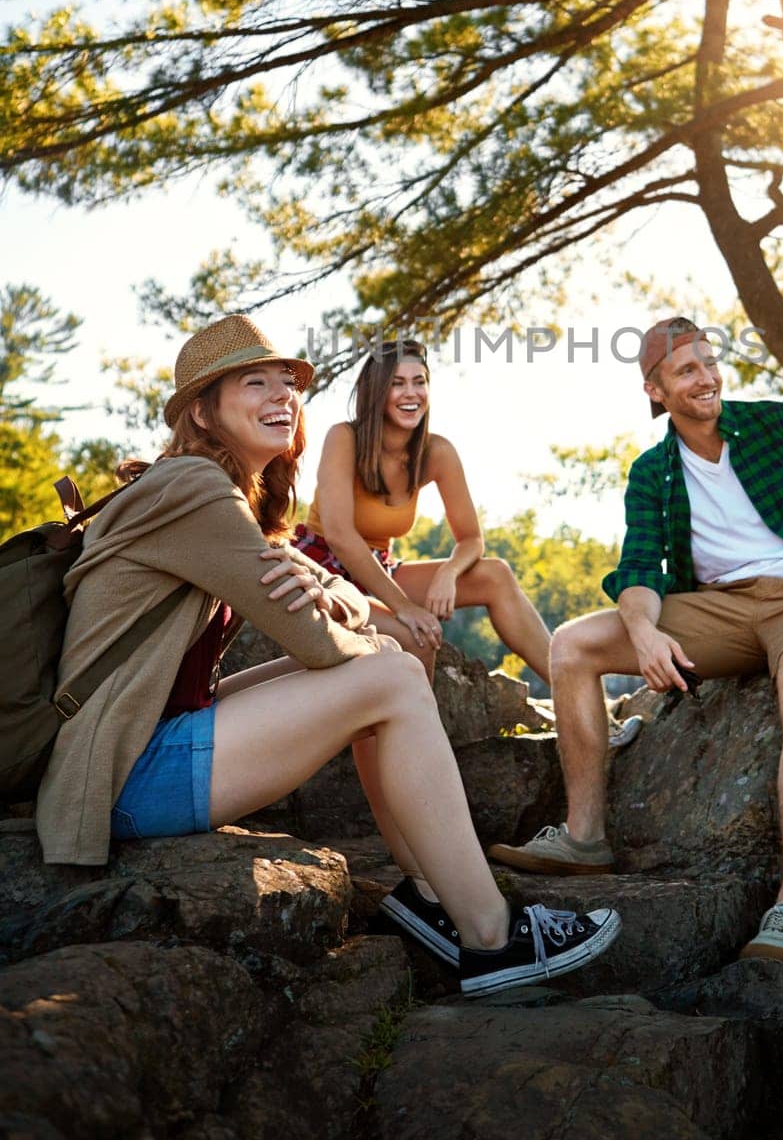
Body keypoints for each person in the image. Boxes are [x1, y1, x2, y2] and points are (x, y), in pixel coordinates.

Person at [34, 314, 619, 996]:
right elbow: (314, 637)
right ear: (202, 409)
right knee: (391, 679)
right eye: (255, 382)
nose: (282, 395)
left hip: (154, 736)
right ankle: (491, 937)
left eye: (288, 382)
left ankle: (431, 895)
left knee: (389, 657)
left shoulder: (211, 494)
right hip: (124, 769)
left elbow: (326, 587)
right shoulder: (192, 488)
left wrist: (330, 591)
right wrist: (336, 606)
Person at [489, 316, 783, 968]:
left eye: (707, 362)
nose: (705, 377)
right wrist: (643, 631)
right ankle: (585, 836)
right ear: (656, 392)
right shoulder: (653, 471)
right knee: (570, 645)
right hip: (713, 610)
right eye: (686, 370)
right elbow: (638, 570)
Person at [294, 339, 553, 683]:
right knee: (417, 636)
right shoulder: (343, 437)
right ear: (377, 391)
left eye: (420, 382)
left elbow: (472, 539)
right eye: (397, 383)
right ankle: (416, 736)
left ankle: (573, 686)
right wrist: (405, 608)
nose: (411, 393)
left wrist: (449, 572)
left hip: (379, 568)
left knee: (496, 575)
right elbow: (341, 536)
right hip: (324, 566)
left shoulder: (437, 452)